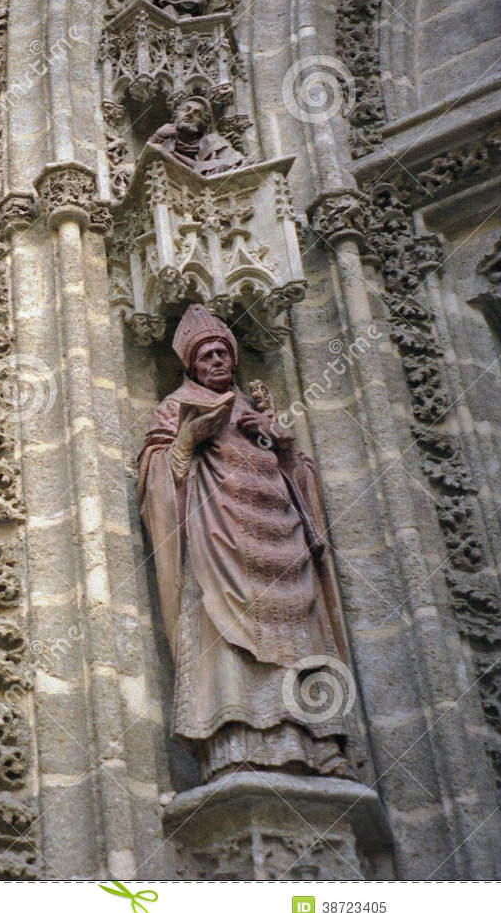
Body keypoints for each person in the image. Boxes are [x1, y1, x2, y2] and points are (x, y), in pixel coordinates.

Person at [136, 304, 352, 781]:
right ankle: (237, 746)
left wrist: (282, 443)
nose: (216, 361)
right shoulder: (175, 408)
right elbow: (156, 481)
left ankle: (318, 746)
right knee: (227, 640)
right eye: (205, 355)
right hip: (219, 546)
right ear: (190, 365)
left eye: (222, 353)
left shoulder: (255, 411)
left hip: (280, 544)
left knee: (299, 640)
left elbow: (300, 483)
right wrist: (189, 438)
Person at [149, 97, 243, 177]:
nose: (189, 114)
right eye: (186, 109)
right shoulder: (164, 143)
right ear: (175, 115)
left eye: (197, 114)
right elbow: (143, 168)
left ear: (202, 123)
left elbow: (237, 163)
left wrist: (238, 151)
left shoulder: (211, 141)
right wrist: (157, 137)